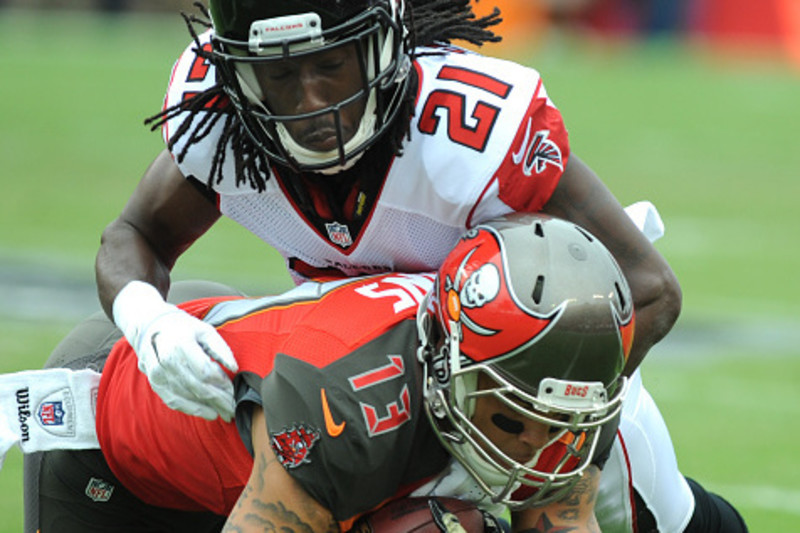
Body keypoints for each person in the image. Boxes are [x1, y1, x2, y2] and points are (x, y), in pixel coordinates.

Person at [78, 1, 748, 532]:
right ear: (238, 76)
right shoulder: (222, 123)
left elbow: (651, 290)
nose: (310, 102)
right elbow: (132, 234)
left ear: (382, 44)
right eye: (279, 75)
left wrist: (528, 425)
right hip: (373, 385)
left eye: (332, 64)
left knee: (660, 520)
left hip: (518, 386)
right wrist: (148, 322)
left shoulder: (468, 130)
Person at [12, 215, 635, 532]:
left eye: (557, 425)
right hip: (118, 437)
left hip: (259, 426)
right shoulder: (352, 404)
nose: (536, 446)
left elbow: (563, 518)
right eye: (509, 417)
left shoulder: (570, 396)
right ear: (448, 364)